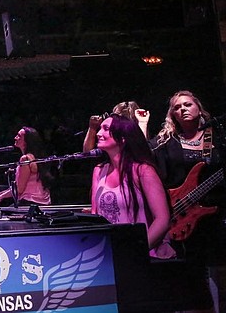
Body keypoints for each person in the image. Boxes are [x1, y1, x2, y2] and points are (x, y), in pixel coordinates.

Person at [150, 90, 225, 311]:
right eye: (177, 107)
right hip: (181, 214)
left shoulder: (217, 137)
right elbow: (151, 166)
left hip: (215, 213)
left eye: (187, 104)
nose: (182, 109)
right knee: (190, 271)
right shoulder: (167, 142)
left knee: (215, 269)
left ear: (198, 108)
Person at [91, 115, 173, 258]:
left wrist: (137, 251)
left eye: (105, 129)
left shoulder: (142, 171)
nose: (98, 134)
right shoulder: (99, 171)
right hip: (109, 255)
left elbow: (162, 219)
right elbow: (95, 216)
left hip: (145, 255)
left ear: (122, 138)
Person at [0, 127, 52, 207]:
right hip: (42, 201)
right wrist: (2, 193)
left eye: (19, 136)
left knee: (2, 213)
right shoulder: (35, 157)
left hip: (30, 202)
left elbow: (19, 189)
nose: (15, 137)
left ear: (26, 141)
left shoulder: (25, 159)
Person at [83, 101, 150, 152]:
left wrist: (142, 122)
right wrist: (92, 128)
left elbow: (141, 152)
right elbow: (87, 152)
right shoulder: (110, 141)